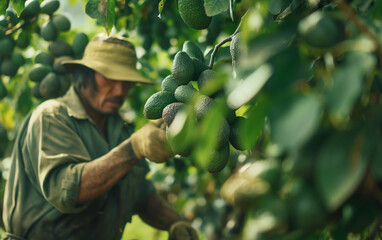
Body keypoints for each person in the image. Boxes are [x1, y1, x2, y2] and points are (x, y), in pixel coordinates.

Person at [2, 33, 198, 240]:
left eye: (126, 82)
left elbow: (142, 195)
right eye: (110, 78)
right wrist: (132, 149)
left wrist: (175, 223)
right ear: (84, 74)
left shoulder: (120, 128)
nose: (119, 90)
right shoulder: (51, 116)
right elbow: (69, 191)